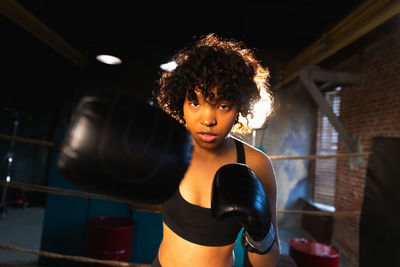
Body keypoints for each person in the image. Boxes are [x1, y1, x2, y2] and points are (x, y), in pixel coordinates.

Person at [152, 33, 280, 267]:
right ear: (180, 101)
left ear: (239, 106)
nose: (208, 119)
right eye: (194, 102)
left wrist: (259, 232)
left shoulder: (256, 164)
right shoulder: (168, 146)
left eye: (223, 105)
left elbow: (269, 264)